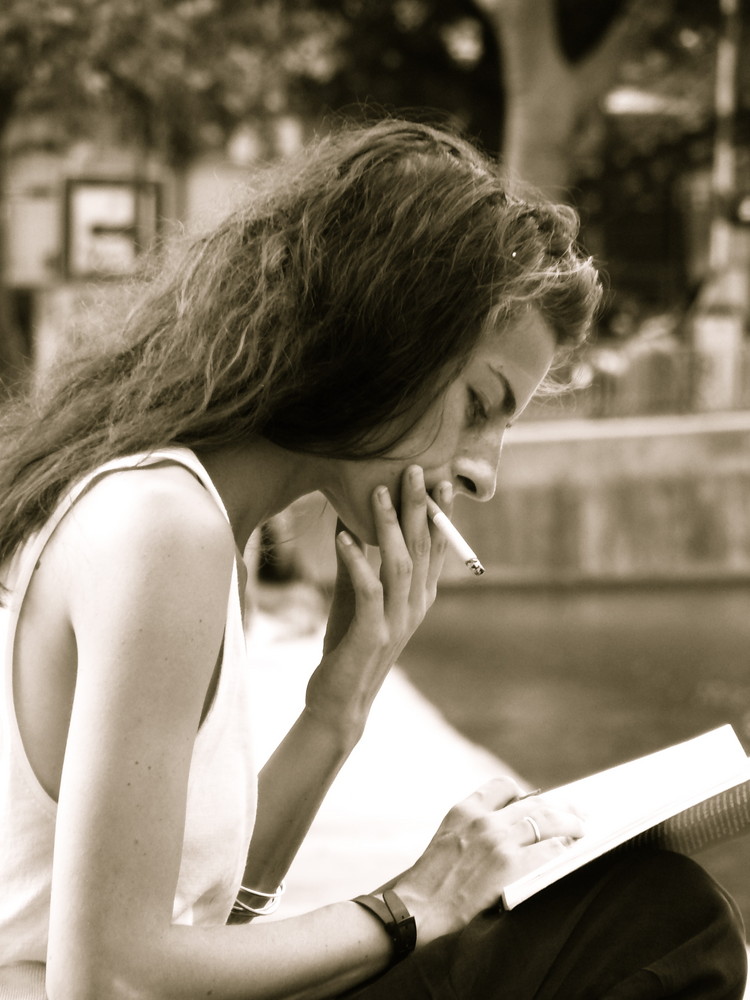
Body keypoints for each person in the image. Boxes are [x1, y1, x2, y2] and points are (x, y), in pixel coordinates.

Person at [0, 119, 745, 1000]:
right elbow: (108, 980)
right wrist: (413, 902)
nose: (483, 474)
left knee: (642, 902)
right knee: (657, 920)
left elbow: (205, 924)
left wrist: (340, 703)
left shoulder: (188, 515)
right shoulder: (163, 525)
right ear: (385, 338)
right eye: (480, 405)